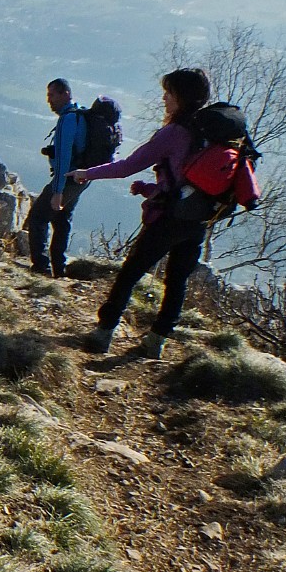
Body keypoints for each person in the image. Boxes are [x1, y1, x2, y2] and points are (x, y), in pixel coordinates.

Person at [69, 67, 213, 359]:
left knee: (130, 274)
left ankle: (102, 334)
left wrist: (86, 172)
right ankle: (156, 342)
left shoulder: (174, 133)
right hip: (199, 218)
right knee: (176, 281)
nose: (164, 98)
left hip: (169, 219)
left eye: (169, 93)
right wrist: (150, 189)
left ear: (181, 98)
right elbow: (187, 181)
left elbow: (126, 166)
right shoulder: (208, 132)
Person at [25, 78, 88, 278]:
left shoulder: (68, 119)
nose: (48, 100)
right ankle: (59, 269)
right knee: (62, 220)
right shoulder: (81, 115)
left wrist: (57, 190)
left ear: (65, 94)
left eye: (52, 95)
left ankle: (41, 267)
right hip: (82, 179)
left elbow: (63, 157)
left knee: (38, 216)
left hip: (67, 178)